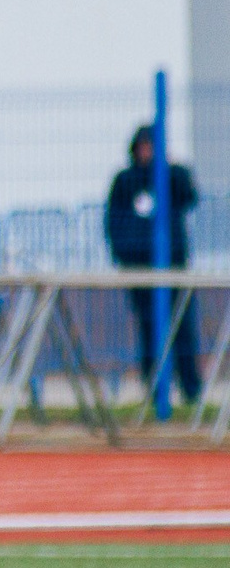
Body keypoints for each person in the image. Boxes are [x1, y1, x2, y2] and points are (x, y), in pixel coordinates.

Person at [103, 123, 204, 406]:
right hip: (140, 270)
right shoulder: (125, 180)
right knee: (149, 329)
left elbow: (189, 195)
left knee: (182, 329)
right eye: (143, 146)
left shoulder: (171, 176)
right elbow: (114, 222)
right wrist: (125, 258)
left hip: (173, 268)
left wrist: (166, 166)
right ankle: (156, 388)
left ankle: (191, 390)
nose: (147, 152)